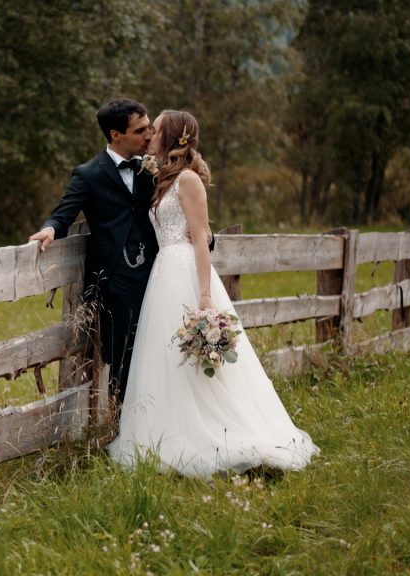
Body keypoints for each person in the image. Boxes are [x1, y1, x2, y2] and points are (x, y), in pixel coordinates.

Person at [107, 110, 318, 478]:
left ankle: (222, 432)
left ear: (172, 136)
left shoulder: (188, 180)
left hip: (187, 275)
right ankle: (167, 431)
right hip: (162, 277)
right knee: (168, 359)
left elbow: (202, 241)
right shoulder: (161, 178)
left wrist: (205, 297)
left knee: (197, 359)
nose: (150, 135)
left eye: (155, 129)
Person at [30, 99, 211, 407]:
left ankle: (171, 411)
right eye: (141, 130)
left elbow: (186, 213)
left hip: (158, 273)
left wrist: (203, 240)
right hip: (115, 279)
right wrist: (50, 229)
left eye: (151, 128)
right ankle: (125, 419)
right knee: (123, 352)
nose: (149, 135)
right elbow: (63, 212)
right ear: (116, 135)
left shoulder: (155, 170)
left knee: (166, 346)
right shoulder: (88, 174)